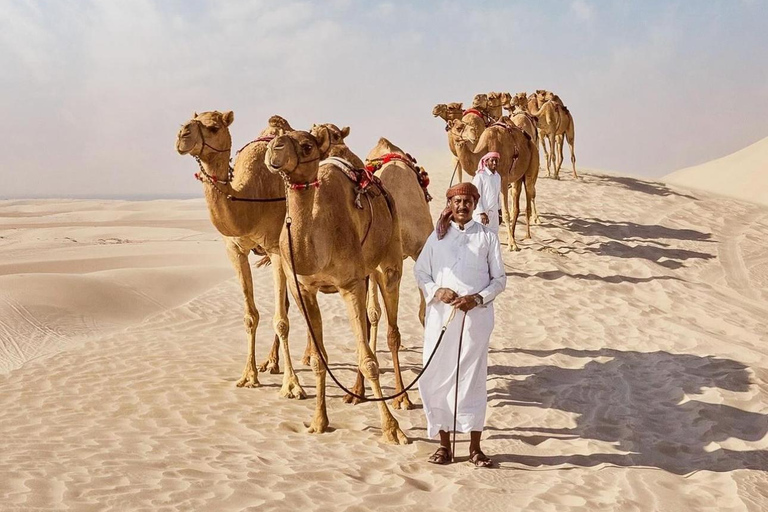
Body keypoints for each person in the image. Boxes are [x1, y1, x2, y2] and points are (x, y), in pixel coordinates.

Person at [414, 182, 507, 467]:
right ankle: (443, 446)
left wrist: (478, 298)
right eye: (457, 201)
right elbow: (421, 271)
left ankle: (475, 448)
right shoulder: (437, 237)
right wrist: (436, 291)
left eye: (468, 201)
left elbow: (499, 280)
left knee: (472, 380)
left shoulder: (487, 237)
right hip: (441, 318)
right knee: (436, 378)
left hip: (475, 319)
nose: (462, 206)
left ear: (475, 204)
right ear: (450, 204)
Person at [471, 152, 502, 233]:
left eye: (496, 161)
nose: (494, 163)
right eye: (492, 160)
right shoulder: (480, 176)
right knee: (480, 238)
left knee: (493, 237)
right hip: (481, 215)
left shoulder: (497, 177)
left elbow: (498, 195)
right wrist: (481, 212)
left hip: (494, 214)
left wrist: (499, 211)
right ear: (486, 162)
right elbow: (475, 196)